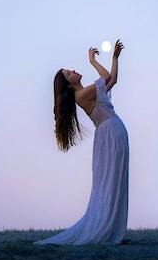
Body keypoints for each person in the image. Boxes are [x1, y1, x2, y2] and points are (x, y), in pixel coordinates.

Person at [34, 39, 129, 245]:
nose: (74, 71)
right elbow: (105, 77)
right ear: (69, 84)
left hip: (112, 131)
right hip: (110, 132)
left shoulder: (87, 91)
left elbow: (111, 81)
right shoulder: (81, 94)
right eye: (70, 73)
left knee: (114, 180)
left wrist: (114, 58)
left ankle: (110, 226)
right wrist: (92, 60)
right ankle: (105, 227)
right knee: (109, 181)